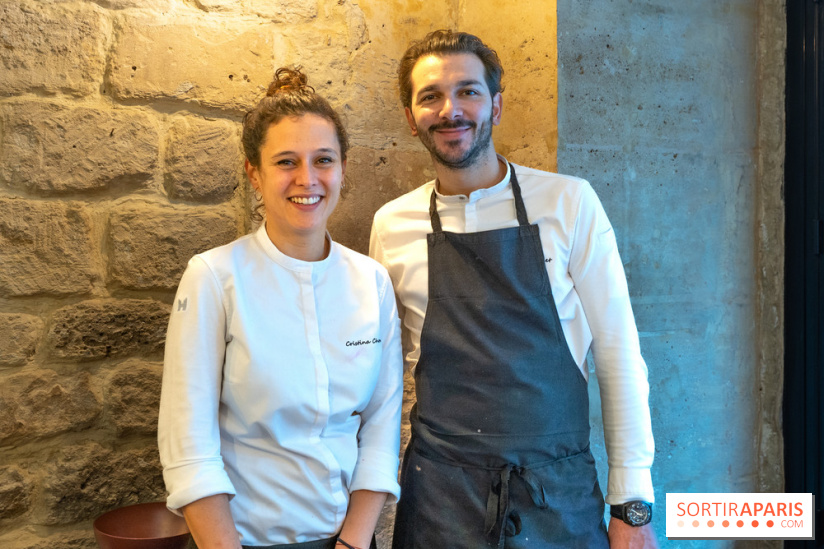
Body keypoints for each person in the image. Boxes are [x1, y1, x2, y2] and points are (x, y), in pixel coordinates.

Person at [369, 31, 657, 548]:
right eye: (431, 96)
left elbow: (618, 353)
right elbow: (383, 378)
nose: (450, 110)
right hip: (439, 499)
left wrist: (632, 505)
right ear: (411, 117)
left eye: (468, 91)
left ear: (496, 106)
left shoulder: (569, 203)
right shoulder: (392, 225)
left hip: (557, 495)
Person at [158, 67, 403, 549]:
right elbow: (189, 447)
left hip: (350, 540)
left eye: (323, 160)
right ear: (254, 173)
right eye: (286, 161)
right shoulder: (214, 278)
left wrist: (354, 542)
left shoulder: (371, 281)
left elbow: (381, 426)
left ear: (343, 168)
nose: (307, 179)